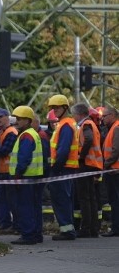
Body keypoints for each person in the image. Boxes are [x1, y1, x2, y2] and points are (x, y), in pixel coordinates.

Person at [8, 106, 44, 245]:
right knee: (34, 206)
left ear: (28, 120)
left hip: (25, 177)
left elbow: (24, 158)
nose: (17, 121)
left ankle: (28, 235)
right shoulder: (32, 133)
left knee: (25, 206)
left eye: (20, 119)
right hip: (32, 176)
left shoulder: (27, 135)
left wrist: (17, 174)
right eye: (17, 118)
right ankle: (36, 234)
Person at [47, 94, 80, 241]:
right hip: (66, 168)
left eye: (57, 107)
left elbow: (63, 150)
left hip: (62, 168)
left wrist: (56, 168)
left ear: (65, 108)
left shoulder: (66, 125)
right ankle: (67, 229)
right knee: (64, 199)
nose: (55, 110)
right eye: (53, 108)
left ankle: (67, 231)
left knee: (61, 199)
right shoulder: (65, 124)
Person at [71, 103, 103, 237]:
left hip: (85, 164)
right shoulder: (90, 124)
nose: (73, 117)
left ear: (79, 114)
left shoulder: (86, 125)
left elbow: (88, 139)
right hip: (92, 164)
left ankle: (86, 229)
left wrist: (81, 156)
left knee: (84, 198)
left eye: (74, 114)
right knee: (90, 198)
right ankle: (93, 229)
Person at [0, 108, 18, 233]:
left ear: (7, 117)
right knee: (2, 199)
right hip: (2, 171)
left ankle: (16, 225)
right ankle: (5, 223)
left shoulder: (11, 132)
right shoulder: (2, 131)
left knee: (12, 200)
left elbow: (4, 151)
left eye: (0, 117)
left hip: (9, 171)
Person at [100, 105, 119, 237]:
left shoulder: (116, 128)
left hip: (114, 170)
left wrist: (105, 165)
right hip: (112, 170)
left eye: (105, 116)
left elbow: (115, 150)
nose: (103, 118)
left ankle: (116, 228)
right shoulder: (112, 128)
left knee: (115, 201)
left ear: (113, 115)